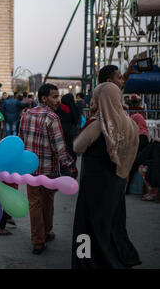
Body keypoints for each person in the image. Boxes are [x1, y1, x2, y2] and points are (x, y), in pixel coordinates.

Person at [71, 82, 141, 269]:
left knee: (88, 225)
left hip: (94, 184)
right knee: (112, 223)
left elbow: (77, 147)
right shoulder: (130, 123)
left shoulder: (98, 123)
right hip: (117, 181)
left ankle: (87, 261)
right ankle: (117, 257)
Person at [19, 83, 77, 255]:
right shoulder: (52, 117)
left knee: (35, 204)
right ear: (44, 98)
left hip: (30, 169)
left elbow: (20, 140)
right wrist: (70, 166)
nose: (58, 100)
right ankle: (46, 231)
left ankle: (38, 241)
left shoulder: (26, 114)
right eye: (54, 97)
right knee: (47, 202)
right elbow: (59, 148)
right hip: (48, 170)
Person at [56, 93, 79, 162]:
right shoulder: (74, 107)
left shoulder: (59, 107)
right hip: (70, 130)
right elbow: (76, 120)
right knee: (69, 147)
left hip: (60, 129)